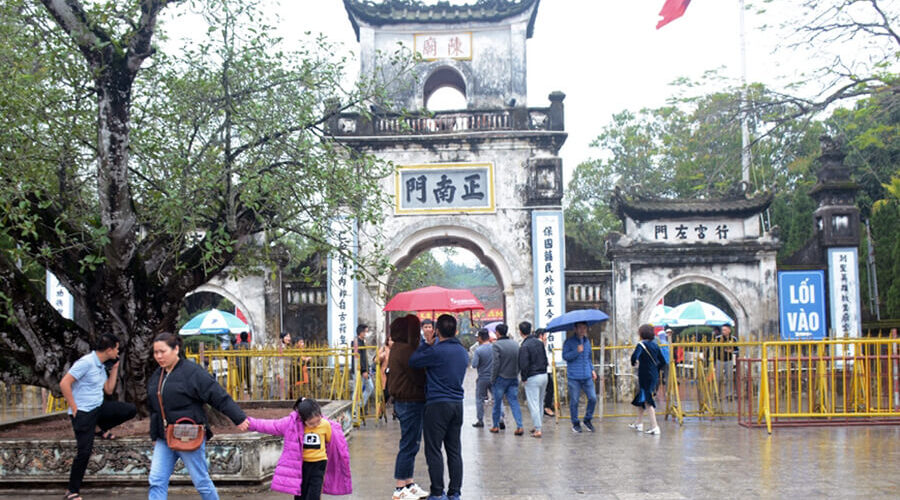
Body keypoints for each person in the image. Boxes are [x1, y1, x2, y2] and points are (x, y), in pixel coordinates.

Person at [147, 332, 249, 500]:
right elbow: (154, 407)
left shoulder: (192, 372)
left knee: (200, 481)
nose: (158, 356)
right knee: (156, 480)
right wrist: (154, 433)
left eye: (162, 351)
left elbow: (216, 394)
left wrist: (238, 417)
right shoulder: (157, 376)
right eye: (155, 352)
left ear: (176, 349)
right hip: (164, 437)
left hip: (188, 434)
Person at [59, 333, 137, 500]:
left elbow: (108, 390)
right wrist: (74, 408)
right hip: (83, 413)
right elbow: (64, 383)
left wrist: (115, 369)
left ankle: (99, 428)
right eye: (116, 348)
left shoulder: (101, 365)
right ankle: (71, 491)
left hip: (98, 408)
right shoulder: (86, 363)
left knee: (129, 410)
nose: (118, 352)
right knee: (84, 452)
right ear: (109, 350)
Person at [409, 314, 469, 500]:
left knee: (434, 449)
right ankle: (455, 492)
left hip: (437, 405)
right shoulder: (462, 351)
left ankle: (437, 491)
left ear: (437, 331)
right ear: (455, 331)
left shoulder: (435, 351)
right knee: (454, 450)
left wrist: (427, 343)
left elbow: (414, 361)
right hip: (457, 405)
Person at [246, 397, 352, 499]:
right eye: (311, 423)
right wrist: (248, 423)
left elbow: (330, 442)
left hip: (319, 464)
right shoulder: (291, 425)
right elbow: (271, 425)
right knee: (301, 495)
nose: (315, 425)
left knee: (314, 495)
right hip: (300, 466)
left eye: (318, 421)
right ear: (302, 419)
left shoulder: (326, 425)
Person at [387, 315, 429, 500]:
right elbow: (418, 377)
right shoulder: (406, 350)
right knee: (408, 444)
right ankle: (399, 488)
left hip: (408, 401)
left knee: (412, 444)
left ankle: (409, 483)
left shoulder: (399, 347)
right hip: (410, 401)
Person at [629, 324, 667, 435]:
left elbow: (634, 357)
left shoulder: (641, 345)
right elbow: (663, 361)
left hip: (645, 374)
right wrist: (656, 369)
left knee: (647, 400)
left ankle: (655, 426)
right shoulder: (655, 345)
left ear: (641, 334)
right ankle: (639, 423)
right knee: (643, 396)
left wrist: (634, 363)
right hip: (653, 375)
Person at [562, 321, 597, 433]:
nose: (582, 330)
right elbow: (565, 356)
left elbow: (588, 358)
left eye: (584, 328)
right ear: (575, 329)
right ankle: (575, 423)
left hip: (587, 375)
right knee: (575, 401)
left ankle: (587, 419)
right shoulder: (569, 342)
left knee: (592, 398)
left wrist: (592, 370)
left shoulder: (587, 342)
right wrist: (576, 351)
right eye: (580, 328)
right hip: (574, 377)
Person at [489, 323, 523, 435]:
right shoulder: (515, 344)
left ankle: (495, 426)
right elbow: (519, 361)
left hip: (500, 378)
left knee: (497, 403)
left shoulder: (496, 345)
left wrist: (493, 378)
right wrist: (516, 373)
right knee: (514, 402)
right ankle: (519, 426)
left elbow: (495, 364)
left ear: (497, 333)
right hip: (513, 377)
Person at [518, 321, 548, 438]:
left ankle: (538, 429)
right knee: (540, 402)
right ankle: (537, 425)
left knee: (533, 403)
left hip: (532, 377)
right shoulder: (539, 343)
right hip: (543, 375)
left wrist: (524, 377)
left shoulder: (524, 346)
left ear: (520, 332)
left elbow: (524, 364)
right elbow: (545, 359)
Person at [469, 328, 493, 428]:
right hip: (494, 377)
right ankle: (501, 418)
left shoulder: (478, 350)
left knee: (479, 399)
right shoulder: (494, 348)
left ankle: (480, 420)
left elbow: (474, 365)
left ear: (480, 338)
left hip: (483, 377)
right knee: (497, 398)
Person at [352, 324, 374, 418]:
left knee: (370, 387)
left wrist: (368, 369)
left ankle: (359, 406)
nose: (366, 333)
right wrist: (363, 370)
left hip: (364, 370)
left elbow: (365, 358)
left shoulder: (363, 341)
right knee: (357, 390)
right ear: (361, 332)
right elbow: (357, 358)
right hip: (358, 370)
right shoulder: (355, 342)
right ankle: (354, 411)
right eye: (365, 331)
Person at [714, 325, 738, 401]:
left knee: (729, 378)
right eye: (722, 330)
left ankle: (729, 394)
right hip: (719, 360)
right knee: (719, 378)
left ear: (729, 330)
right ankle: (717, 394)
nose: (723, 331)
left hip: (729, 360)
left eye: (725, 330)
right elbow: (714, 349)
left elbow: (737, 349)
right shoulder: (718, 338)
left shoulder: (733, 339)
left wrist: (732, 351)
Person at [538, 328, 557, 417]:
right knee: (550, 389)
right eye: (545, 335)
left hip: (545, 370)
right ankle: (547, 407)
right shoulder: (539, 344)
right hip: (544, 371)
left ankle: (546, 406)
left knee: (548, 389)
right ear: (541, 336)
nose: (546, 337)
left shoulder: (542, 344)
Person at [377, 336, 393, 420]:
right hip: (384, 374)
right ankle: (380, 411)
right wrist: (382, 356)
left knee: (393, 392)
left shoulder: (396, 349)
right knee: (385, 393)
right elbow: (376, 360)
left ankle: (395, 412)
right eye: (390, 340)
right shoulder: (383, 348)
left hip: (393, 374)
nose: (392, 342)